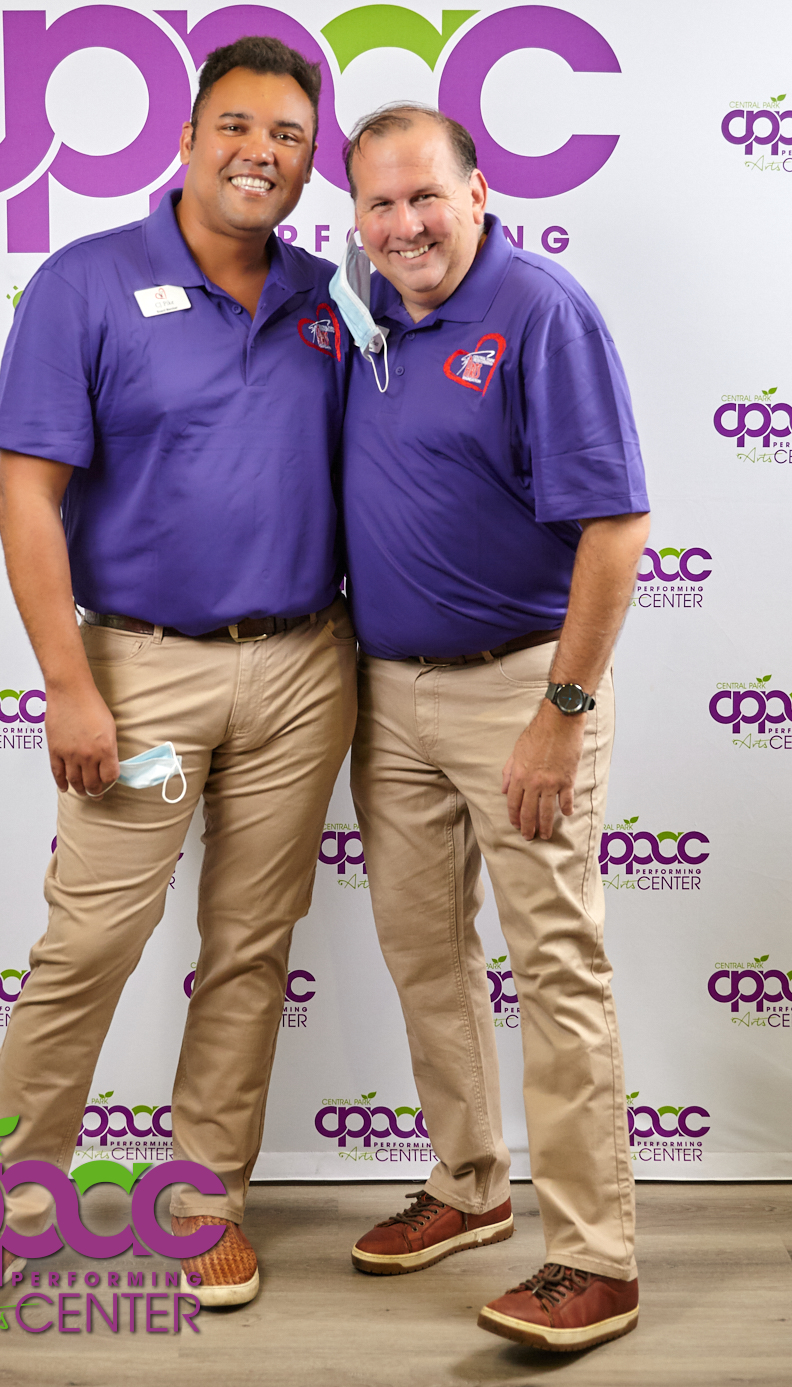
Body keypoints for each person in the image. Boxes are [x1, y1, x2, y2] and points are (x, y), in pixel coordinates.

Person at [0, 37, 356, 1328]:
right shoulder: (85, 283)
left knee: (251, 951)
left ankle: (205, 1201)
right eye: (237, 125)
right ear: (187, 138)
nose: (259, 152)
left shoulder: (329, 297)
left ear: (308, 162)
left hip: (302, 671)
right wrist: (69, 683)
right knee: (92, 942)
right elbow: (27, 496)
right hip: (142, 677)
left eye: (286, 134)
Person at [333, 104, 649, 1353]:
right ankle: (468, 1187)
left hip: (521, 689)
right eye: (379, 203)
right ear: (356, 218)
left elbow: (615, 526)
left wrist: (560, 715)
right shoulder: (365, 313)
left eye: (425, 196)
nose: (404, 224)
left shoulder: (540, 311)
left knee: (554, 963)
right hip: (386, 690)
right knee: (424, 954)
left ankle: (595, 1257)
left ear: (477, 193)